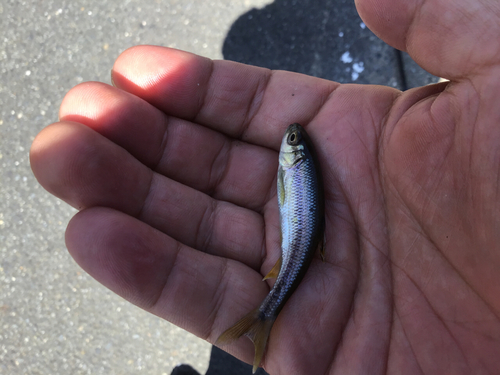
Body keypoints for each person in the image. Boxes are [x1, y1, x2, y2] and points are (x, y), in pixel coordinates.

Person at [30, 0, 500, 373]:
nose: (289, 141)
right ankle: (263, 319)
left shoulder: (293, 163)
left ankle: (265, 318)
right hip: (300, 253)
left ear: (292, 154)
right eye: (293, 139)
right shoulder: (296, 166)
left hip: (296, 258)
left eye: (291, 140)